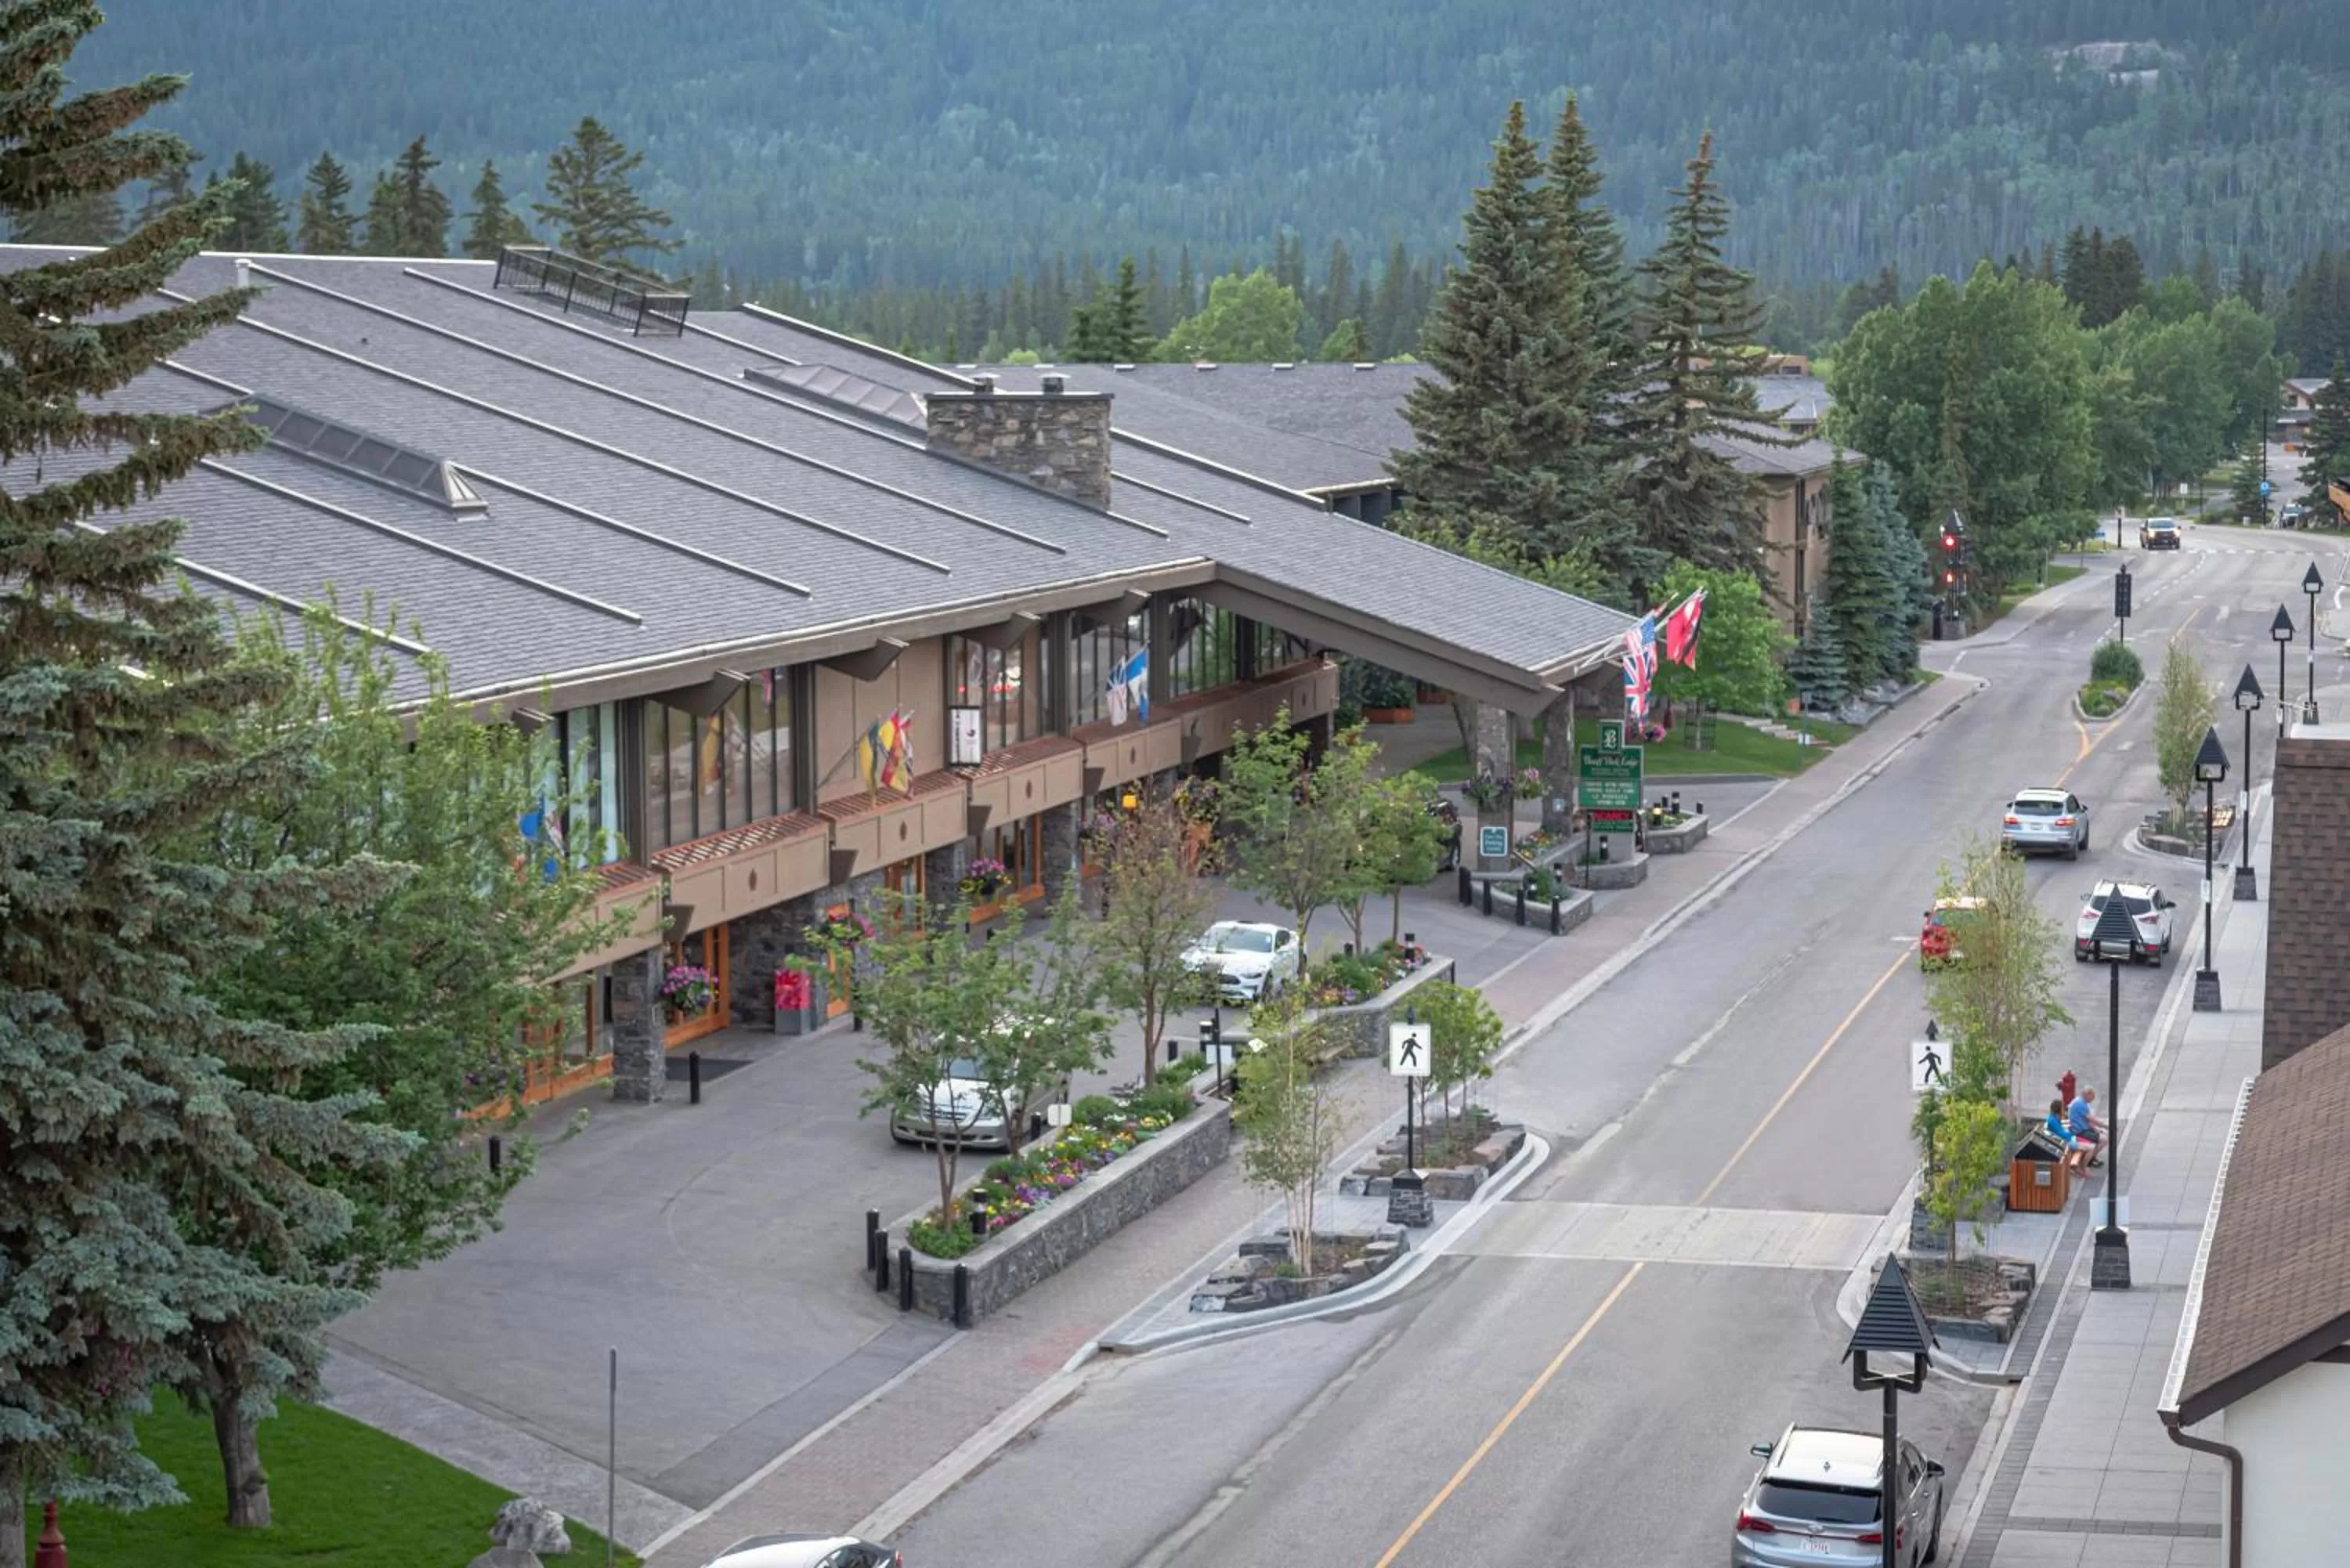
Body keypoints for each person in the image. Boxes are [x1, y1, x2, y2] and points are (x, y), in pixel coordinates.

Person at [2045, 1097, 2088, 1176]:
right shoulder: (2052, 1120)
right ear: (2059, 1109)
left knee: (2082, 1143)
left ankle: (2075, 1165)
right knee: (2086, 1147)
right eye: (2062, 1108)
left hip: (2063, 1139)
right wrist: (2072, 1134)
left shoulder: (2054, 1118)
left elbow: (2061, 1130)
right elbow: (2061, 1133)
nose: (2064, 1109)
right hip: (2063, 1141)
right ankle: (2076, 1166)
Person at [2068, 1086, 2106, 1169]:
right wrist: (2104, 1126)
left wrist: (2097, 1129)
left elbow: (2088, 1121)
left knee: (2102, 1135)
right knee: (2104, 1140)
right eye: (2092, 1097)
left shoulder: (2081, 1102)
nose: (2093, 1099)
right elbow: (2091, 1119)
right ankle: (2091, 1159)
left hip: (2083, 1128)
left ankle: (2092, 1157)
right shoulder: (2081, 1104)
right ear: (2087, 1095)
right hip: (2080, 1131)